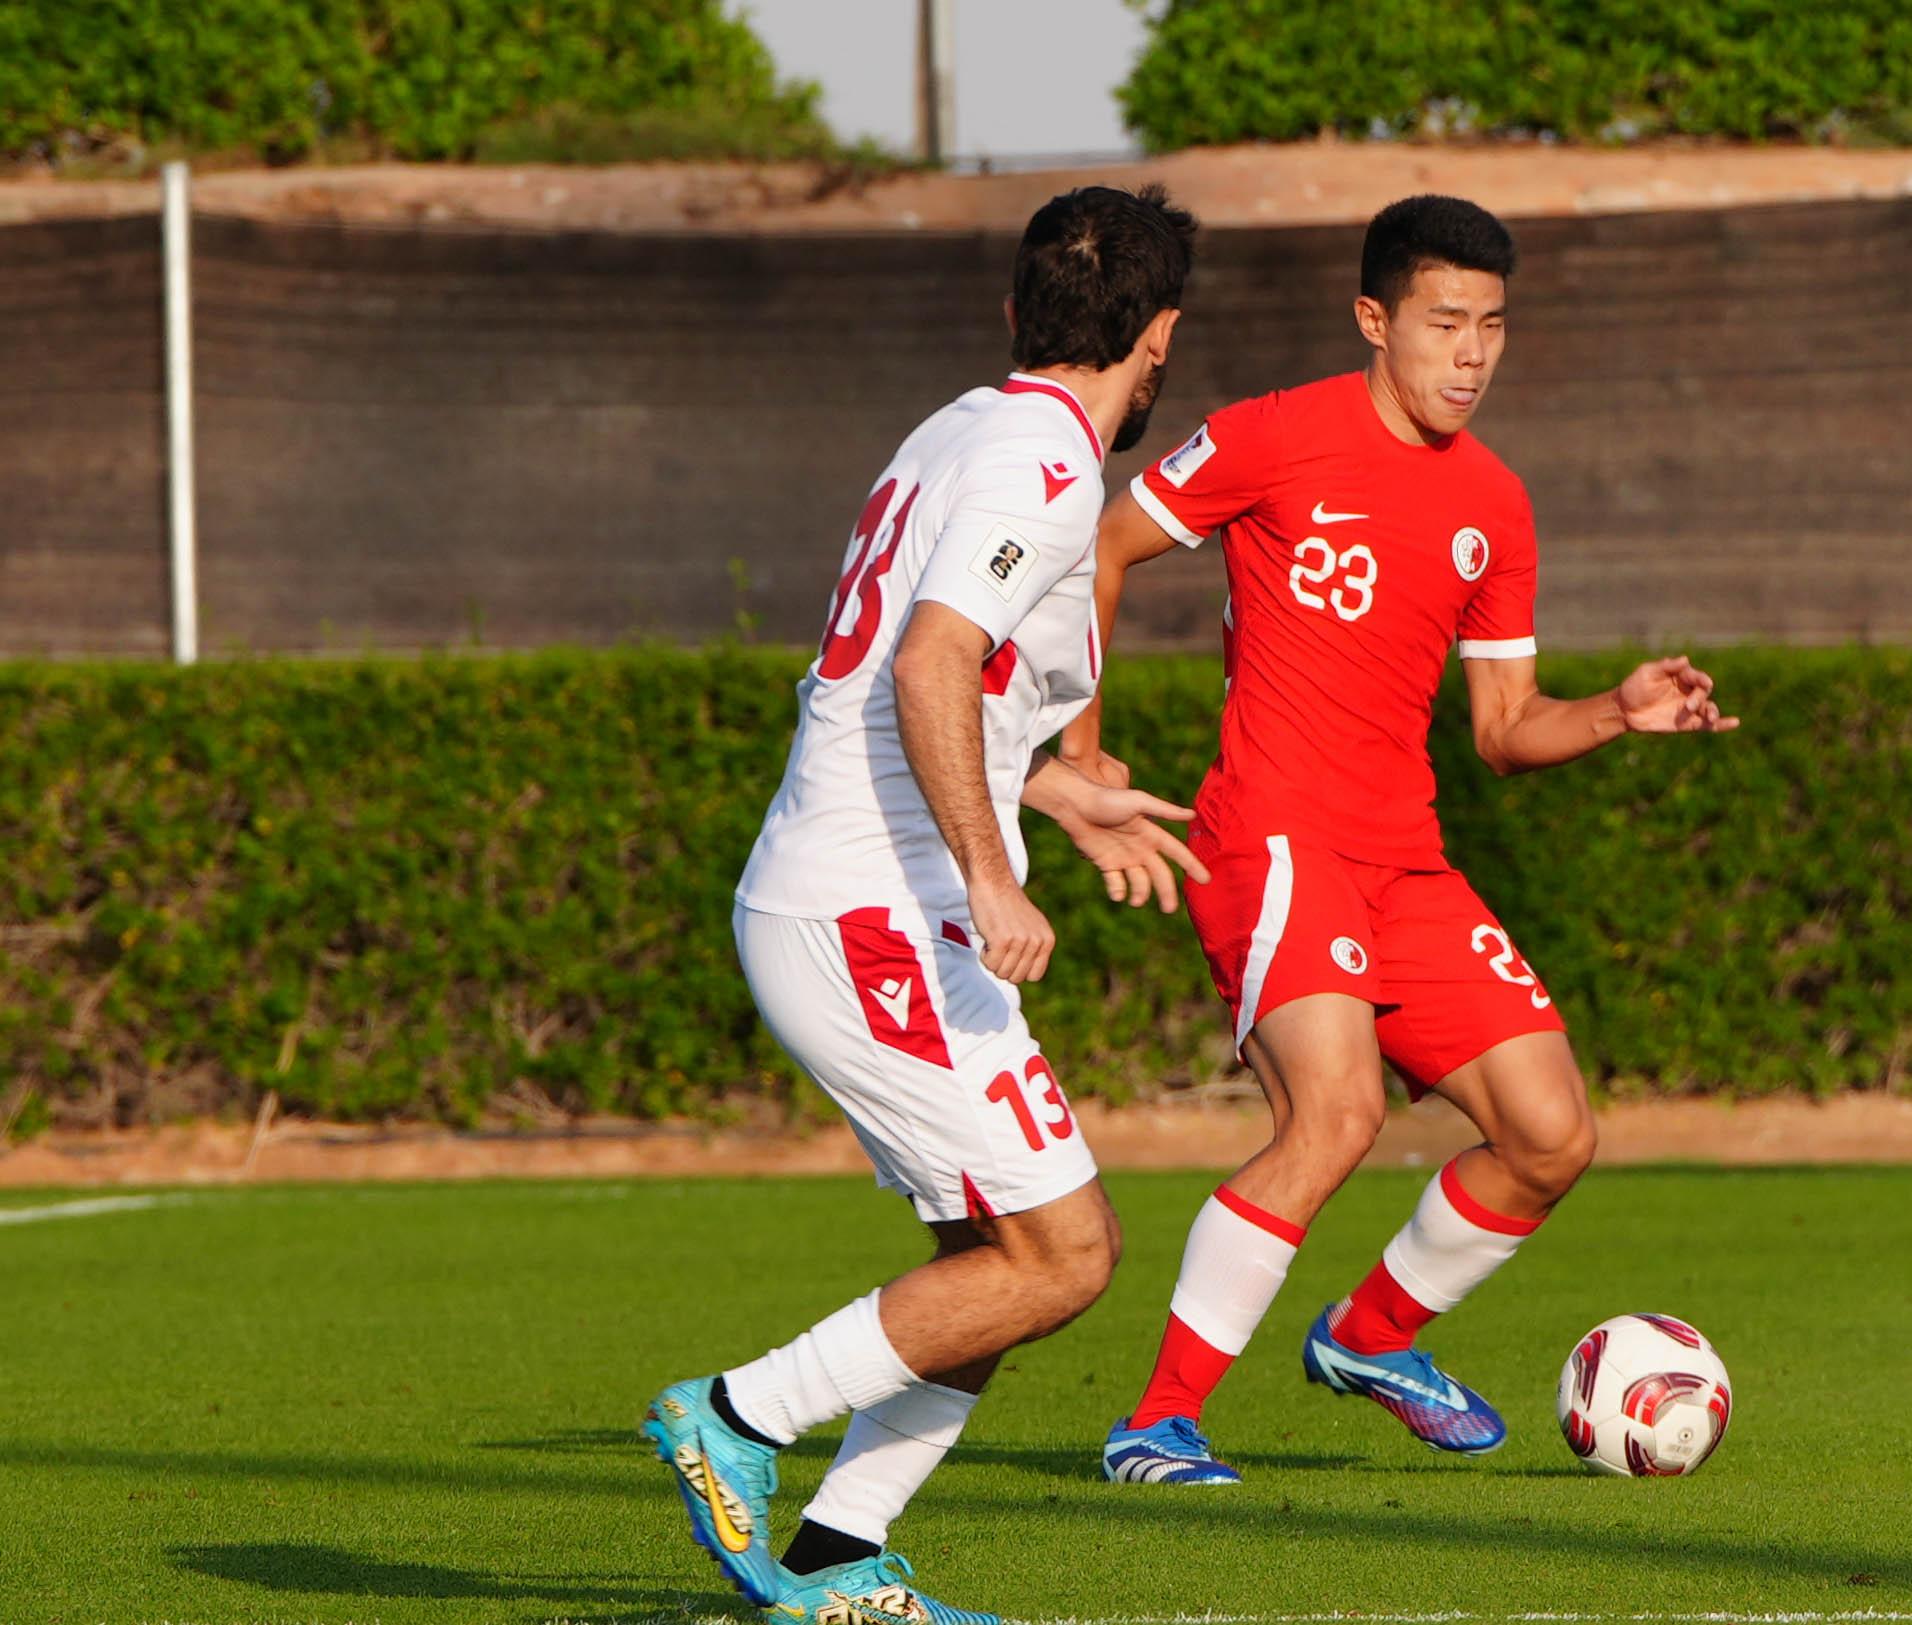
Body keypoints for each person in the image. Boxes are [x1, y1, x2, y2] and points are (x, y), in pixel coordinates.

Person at [1065, 194, 1738, 1487]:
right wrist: (1082, 745)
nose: (1471, 354)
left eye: (1492, 325)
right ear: (1374, 320)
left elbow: (1503, 729)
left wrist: (1616, 710)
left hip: (1404, 862)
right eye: (1444, 322)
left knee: (1550, 1135)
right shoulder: (1273, 434)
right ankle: (1155, 1422)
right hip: (1273, 839)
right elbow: (1102, 544)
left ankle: (1368, 1338)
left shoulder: (1495, 500)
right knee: (1337, 1113)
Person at [643, 184, 1206, 1620]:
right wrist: (989, 870)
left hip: (851, 899)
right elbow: (929, 663)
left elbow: (920, 677)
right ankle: (739, 1414)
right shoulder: (1044, 464)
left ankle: (837, 1557)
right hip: (872, 912)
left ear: (1017, 314)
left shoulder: (958, 426)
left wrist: (1050, 791)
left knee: (1001, 1259)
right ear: (1158, 338)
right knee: (1065, 1254)